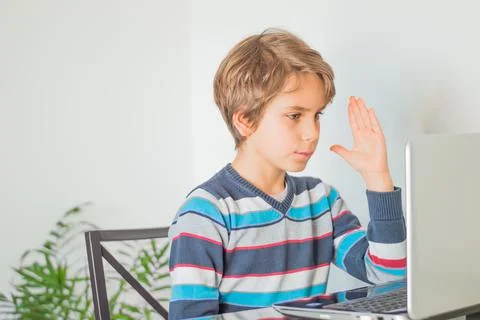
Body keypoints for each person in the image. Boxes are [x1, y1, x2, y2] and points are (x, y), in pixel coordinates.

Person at [167, 28, 406, 320]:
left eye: (317, 115)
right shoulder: (206, 213)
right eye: (295, 116)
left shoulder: (321, 200)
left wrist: (377, 178)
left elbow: (387, 275)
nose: (311, 133)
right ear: (245, 120)